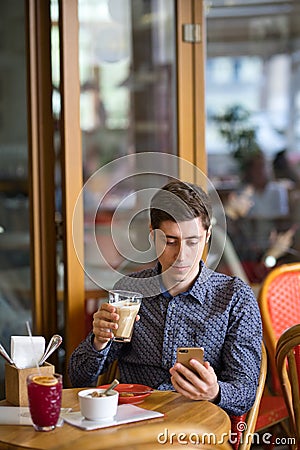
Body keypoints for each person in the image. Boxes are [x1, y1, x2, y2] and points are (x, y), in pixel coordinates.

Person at [68, 180, 262, 417]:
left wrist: (215, 391)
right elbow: (78, 377)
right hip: (132, 419)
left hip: (197, 426)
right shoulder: (131, 291)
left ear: (208, 235)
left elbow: (246, 393)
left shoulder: (234, 298)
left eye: (193, 241)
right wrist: (98, 342)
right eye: (170, 241)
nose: (182, 255)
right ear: (152, 234)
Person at [218, 185, 296, 283]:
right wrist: (273, 254)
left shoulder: (238, 225)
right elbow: (251, 272)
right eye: (248, 198)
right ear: (233, 197)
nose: (251, 203)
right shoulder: (225, 231)